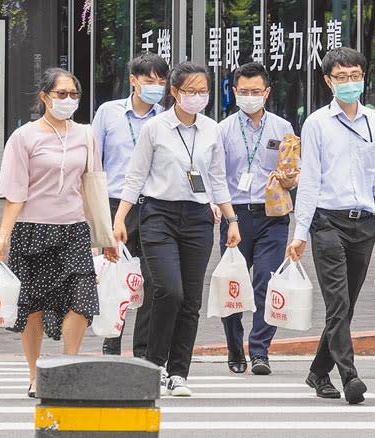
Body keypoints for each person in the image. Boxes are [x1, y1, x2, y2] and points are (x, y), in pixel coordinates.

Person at [0, 68, 119, 398]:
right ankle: (35, 375)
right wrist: (3, 238)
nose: (69, 100)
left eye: (74, 95)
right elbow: (15, 193)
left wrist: (106, 237)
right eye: (62, 94)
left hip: (74, 231)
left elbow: (93, 186)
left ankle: (67, 370)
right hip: (32, 232)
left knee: (82, 300)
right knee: (31, 307)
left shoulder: (86, 135)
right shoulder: (25, 137)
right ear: (44, 97)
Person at [113, 62, 241, 397]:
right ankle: (154, 364)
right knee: (169, 290)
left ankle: (178, 372)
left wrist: (232, 219)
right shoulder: (155, 128)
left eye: (203, 91)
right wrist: (118, 219)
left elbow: (217, 179)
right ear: (174, 92)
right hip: (158, 215)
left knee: (190, 300)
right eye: (190, 91)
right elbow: (135, 176)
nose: (197, 97)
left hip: (199, 218)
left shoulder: (212, 130)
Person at [285, 48, 375, 404]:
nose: (350, 82)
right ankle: (349, 376)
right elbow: (309, 182)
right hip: (326, 222)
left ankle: (318, 372)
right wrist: (299, 233)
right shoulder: (317, 123)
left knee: (347, 305)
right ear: (328, 81)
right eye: (341, 77)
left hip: (363, 225)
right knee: (337, 302)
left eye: (355, 75)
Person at [215, 62, 296, 375]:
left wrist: (291, 178)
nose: (250, 96)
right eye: (244, 91)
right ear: (235, 92)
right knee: (232, 285)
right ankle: (235, 348)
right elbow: (216, 175)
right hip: (234, 217)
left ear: (267, 92)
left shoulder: (282, 128)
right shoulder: (222, 130)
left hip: (272, 216)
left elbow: (292, 170)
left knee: (266, 280)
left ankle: (260, 350)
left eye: (256, 91)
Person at [92, 52, 169, 357]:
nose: (156, 86)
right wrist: (95, 218)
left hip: (152, 206)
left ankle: (143, 348)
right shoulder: (109, 113)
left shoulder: (165, 119)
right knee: (118, 276)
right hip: (113, 206)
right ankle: (113, 338)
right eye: (150, 80)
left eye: (161, 81)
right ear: (133, 81)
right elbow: (93, 164)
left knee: (153, 280)